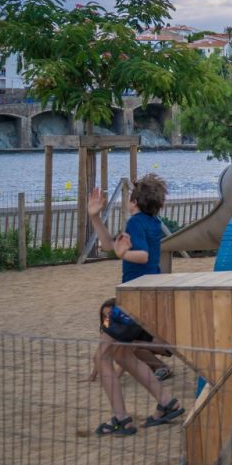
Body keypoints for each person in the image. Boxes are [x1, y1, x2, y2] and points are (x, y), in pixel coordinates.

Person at [86, 175, 183, 437]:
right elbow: (109, 245)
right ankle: (166, 402)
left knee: (102, 357)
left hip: (133, 300)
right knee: (122, 355)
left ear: (134, 202)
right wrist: (95, 217)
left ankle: (121, 419)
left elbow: (141, 255)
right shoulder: (150, 222)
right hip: (143, 298)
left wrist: (123, 255)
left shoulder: (137, 222)